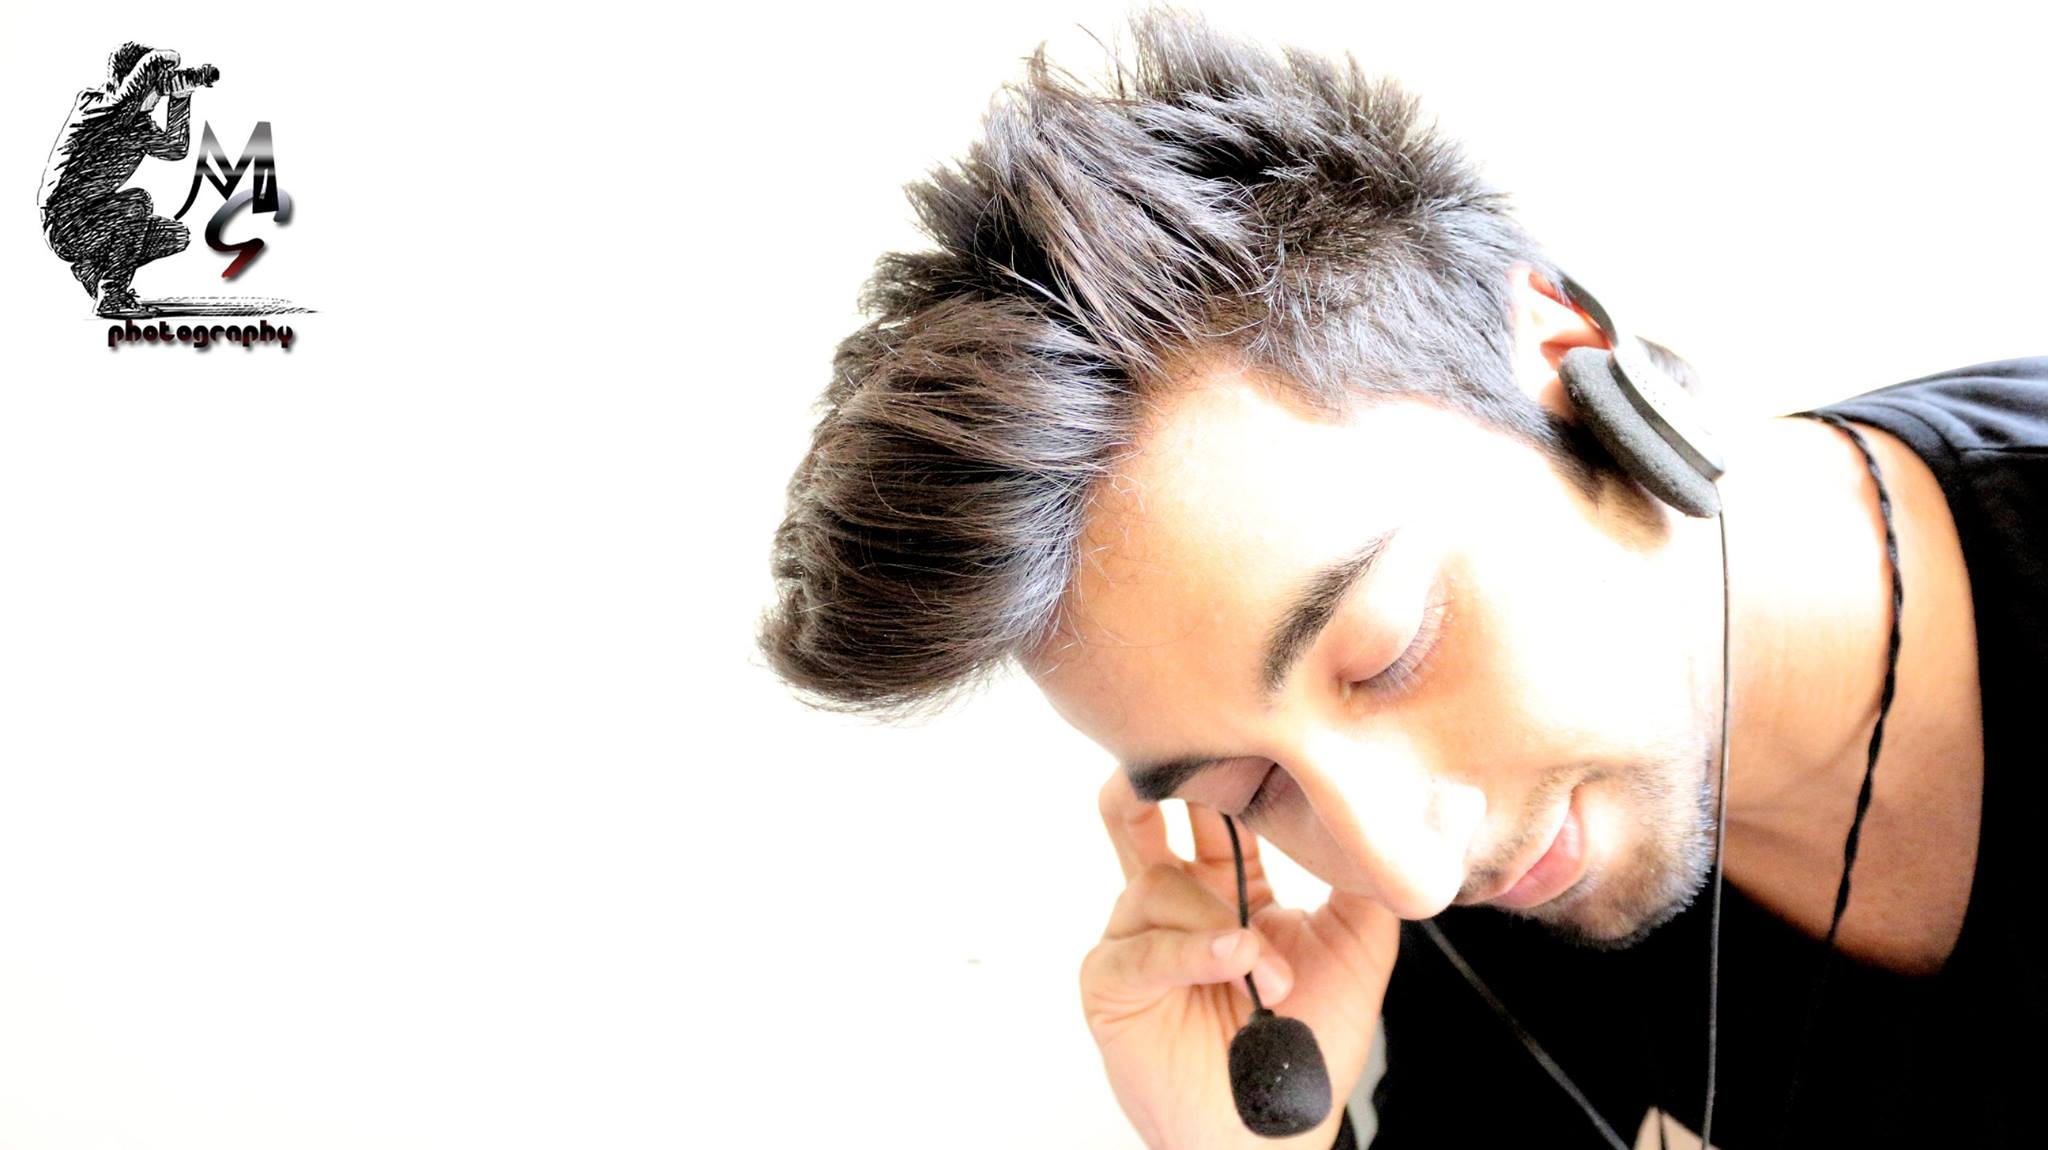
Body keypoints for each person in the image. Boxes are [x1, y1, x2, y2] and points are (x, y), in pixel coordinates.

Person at [756, 8, 2043, 1147]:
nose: (1408, 870)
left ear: (1560, 358)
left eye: (1389, 652)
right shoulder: (1503, 903)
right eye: (1251, 789)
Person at [39, 42, 215, 320]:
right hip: (65, 223)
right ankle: (113, 296)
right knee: (137, 203)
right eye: (154, 82)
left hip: (96, 222)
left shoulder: (139, 124)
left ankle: (92, 269)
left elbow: (175, 149)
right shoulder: (96, 106)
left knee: (174, 236)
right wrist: (168, 60)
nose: (158, 92)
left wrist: (181, 97)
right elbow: (128, 95)